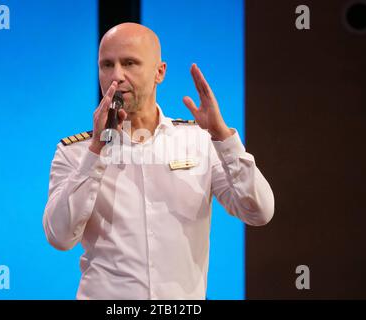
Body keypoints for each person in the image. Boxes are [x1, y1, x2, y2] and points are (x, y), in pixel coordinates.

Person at [42, 22, 274, 300]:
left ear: (159, 72)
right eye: (107, 65)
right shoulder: (75, 152)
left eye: (130, 63)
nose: (117, 76)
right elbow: (60, 237)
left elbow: (258, 212)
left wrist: (223, 137)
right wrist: (96, 152)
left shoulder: (199, 141)